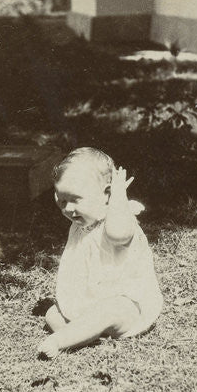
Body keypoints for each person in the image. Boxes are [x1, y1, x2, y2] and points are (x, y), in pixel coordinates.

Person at [38, 147, 163, 359]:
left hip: (127, 306)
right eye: (61, 200)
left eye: (75, 199)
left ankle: (62, 340)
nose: (67, 208)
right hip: (87, 304)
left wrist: (118, 198)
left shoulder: (118, 219)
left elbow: (118, 235)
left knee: (110, 310)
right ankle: (85, 334)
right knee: (52, 313)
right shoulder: (82, 223)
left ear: (106, 194)